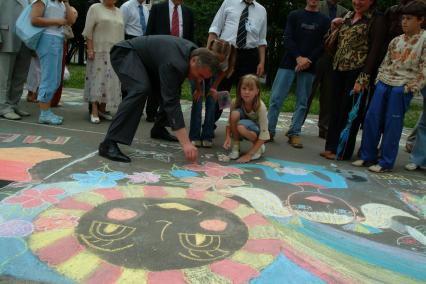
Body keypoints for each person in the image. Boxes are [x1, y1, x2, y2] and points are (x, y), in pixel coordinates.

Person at [98, 35, 220, 163]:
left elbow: (173, 93)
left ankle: (158, 128)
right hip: (125, 53)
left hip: (148, 63)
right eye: (199, 75)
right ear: (194, 61)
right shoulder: (175, 62)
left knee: (172, 89)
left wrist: (199, 87)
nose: (199, 80)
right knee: (140, 89)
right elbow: (171, 102)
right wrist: (186, 143)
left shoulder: (195, 54)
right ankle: (108, 143)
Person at [352, 0, 425, 173]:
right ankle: (366, 155)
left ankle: (385, 162)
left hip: (402, 86)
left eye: (408, 18)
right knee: (372, 118)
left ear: (421, 20)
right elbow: (385, 62)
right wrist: (379, 80)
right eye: (403, 18)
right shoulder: (396, 40)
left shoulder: (424, 39)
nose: (404, 22)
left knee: (392, 123)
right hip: (385, 82)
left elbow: (424, 68)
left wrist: (410, 87)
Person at [320, 0, 387, 160]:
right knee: (334, 109)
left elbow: (375, 51)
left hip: (357, 71)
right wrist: (333, 27)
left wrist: (363, 77)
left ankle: (343, 151)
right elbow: (331, 42)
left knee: (349, 112)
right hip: (338, 68)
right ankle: (330, 147)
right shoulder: (347, 15)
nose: (357, 2)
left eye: (362, 0)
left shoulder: (376, 19)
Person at [267, 0, 329, 148]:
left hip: (310, 65)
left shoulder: (325, 20)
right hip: (289, 62)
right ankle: (269, 130)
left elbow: (323, 44)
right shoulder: (294, 15)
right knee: (276, 98)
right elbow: (288, 38)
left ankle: (294, 132)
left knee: (302, 102)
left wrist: (309, 60)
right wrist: (298, 58)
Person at [208, 0, 267, 124]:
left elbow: (262, 40)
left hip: (249, 55)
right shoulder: (229, 2)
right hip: (227, 53)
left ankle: (239, 126)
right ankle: (210, 123)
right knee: (222, 90)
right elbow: (215, 28)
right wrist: (208, 53)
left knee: (246, 91)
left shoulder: (261, 10)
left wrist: (262, 62)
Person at [145, 0, 194, 140]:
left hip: (179, 61)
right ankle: (151, 115)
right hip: (159, 58)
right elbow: (149, 33)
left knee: (173, 94)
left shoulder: (188, 12)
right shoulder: (158, 8)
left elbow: (190, 38)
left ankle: (159, 127)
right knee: (159, 91)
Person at [303, 0, 348, 139]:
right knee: (308, 91)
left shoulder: (345, 12)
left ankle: (324, 127)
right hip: (315, 55)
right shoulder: (317, 5)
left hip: (333, 57)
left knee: (328, 94)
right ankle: (297, 123)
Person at [82, 0, 124, 124]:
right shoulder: (95, 8)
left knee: (110, 81)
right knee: (97, 80)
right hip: (99, 50)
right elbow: (88, 31)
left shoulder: (119, 11)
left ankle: (102, 109)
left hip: (114, 52)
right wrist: (90, 49)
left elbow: (121, 33)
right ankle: (94, 110)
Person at [31, 0, 72, 125]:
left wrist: (67, 3)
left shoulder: (61, 3)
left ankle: (47, 111)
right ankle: (44, 113)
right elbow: (34, 19)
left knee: (55, 79)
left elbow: (70, 21)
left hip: (58, 39)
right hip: (47, 38)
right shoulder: (43, 1)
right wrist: (57, 21)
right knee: (49, 77)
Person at [190, 39, 236, 148]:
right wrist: (199, 89)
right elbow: (196, 75)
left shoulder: (226, 61)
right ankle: (194, 136)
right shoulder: (203, 56)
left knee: (212, 103)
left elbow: (223, 73)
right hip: (198, 75)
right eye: (216, 59)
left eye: (221, 60)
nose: (219, 61)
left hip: (213, 76)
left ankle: (207, 135)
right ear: (210, 51)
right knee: (198, 101)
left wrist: (214, 87)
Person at [223, 74, 269, 163]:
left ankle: (258, 148)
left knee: (241, 126)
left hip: (256, 131)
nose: (246, 92)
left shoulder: (261, 107)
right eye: (244, 88)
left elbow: (265, 133)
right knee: (234, 114)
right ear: (239, 89)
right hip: (243, 126)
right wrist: (228, 137)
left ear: (257, 91)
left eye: (251, 89)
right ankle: (236, 146)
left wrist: (249, 154)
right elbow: (229, 123)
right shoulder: (235, 102)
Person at [0, 0, 32, 120]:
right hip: (7, 37)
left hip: (25, 39)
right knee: (4, 76)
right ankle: (3, 107)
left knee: (20, 76)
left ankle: (13, 104)